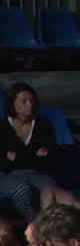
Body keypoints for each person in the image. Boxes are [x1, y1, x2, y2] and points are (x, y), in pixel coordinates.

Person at [0, 82, 62, 220]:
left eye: (31, 101)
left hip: (37, 173)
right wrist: (33, 156)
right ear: (12, 103)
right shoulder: (2, 128)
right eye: (24, 101)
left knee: (51, 189)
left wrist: (16, 157)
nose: (29, 104)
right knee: (21, 189)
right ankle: (35, 223)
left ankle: (50, 227)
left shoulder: (43, 125)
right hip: (6, 175)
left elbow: (48, 158)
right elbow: (2, 163)